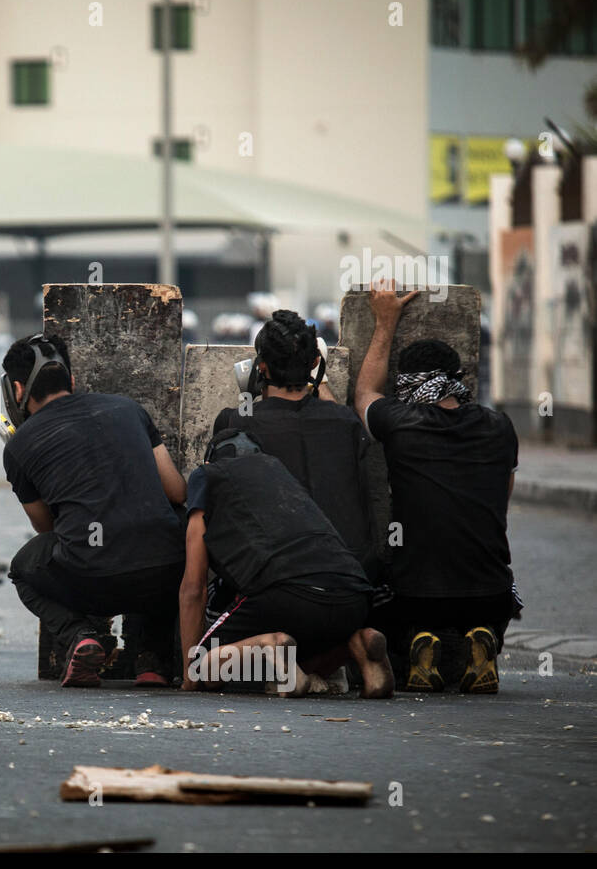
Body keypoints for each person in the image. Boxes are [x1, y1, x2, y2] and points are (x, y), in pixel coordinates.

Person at [353, 281, 519, 694]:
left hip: (416, 596)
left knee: (376, 582)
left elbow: (365, 392)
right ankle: (484, 636)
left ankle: (416, 642)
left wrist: (386, 321)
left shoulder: (400, 423)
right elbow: (504, 496)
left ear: (408, 386)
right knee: (501, 589)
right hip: (491, 593)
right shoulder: (500, 427)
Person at [3, 333, 188, 688]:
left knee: (23, 569)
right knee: (165, 530)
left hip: (91, 580)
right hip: (163, 575)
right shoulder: (128, 409)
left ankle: (80, 636)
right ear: (71, 380)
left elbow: (46, 528)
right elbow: (177, 491)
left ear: (16, 389)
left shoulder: (19, 446)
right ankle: (152, 660)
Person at [179, 429, 394, 698]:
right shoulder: (283, 477)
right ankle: (357, 644)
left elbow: (193, 587)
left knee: (205, 671)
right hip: (353, 597)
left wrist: (189, 676)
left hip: (286, 592)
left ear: (211, 461)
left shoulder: (208, 476)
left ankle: (270, 645)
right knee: (301, 655)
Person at [211, 308, 378, 581]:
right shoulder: (346, 422)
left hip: (279, 578)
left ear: (261, 366)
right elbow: (332, 418)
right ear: (314, 362)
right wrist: (320, 381)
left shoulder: (236, 423)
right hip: (352, 575)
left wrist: (250, 395)